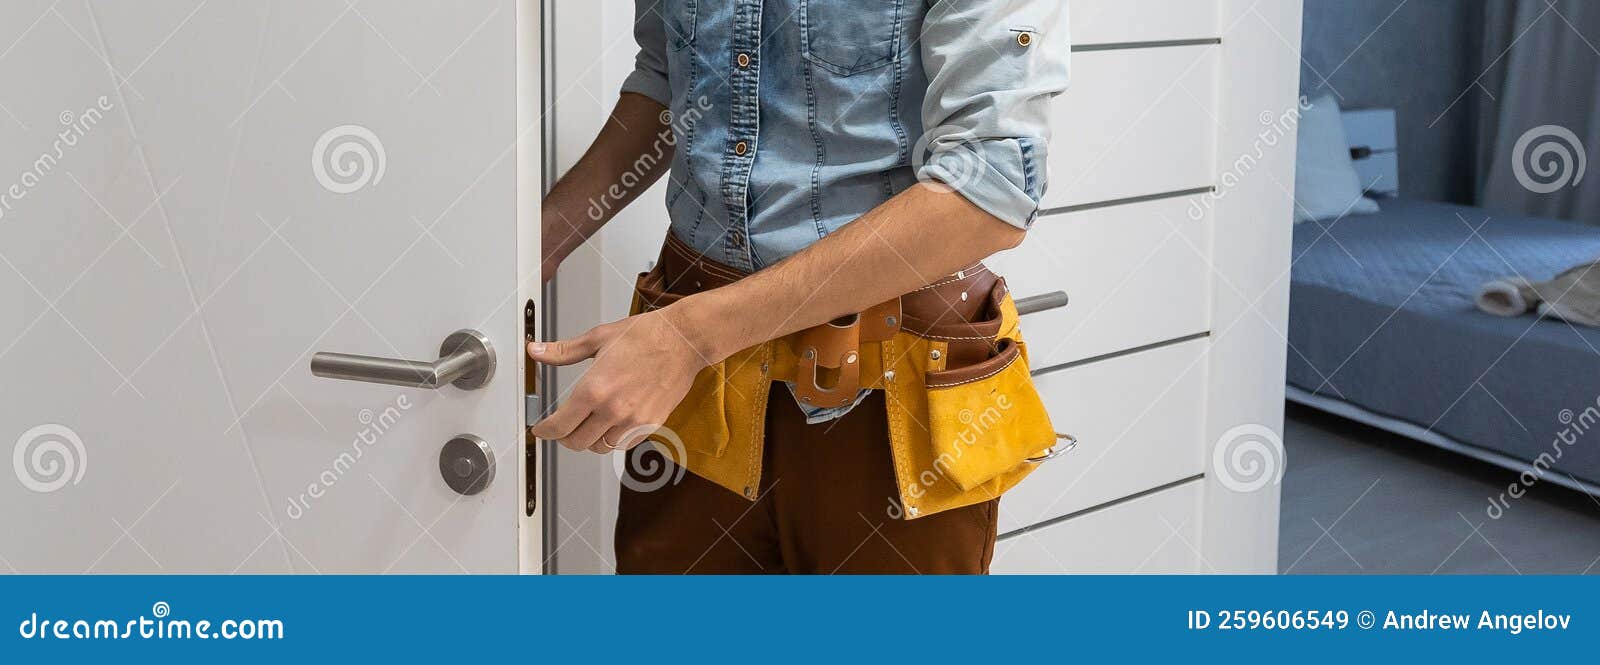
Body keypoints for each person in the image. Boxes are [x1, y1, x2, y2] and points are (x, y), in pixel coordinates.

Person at [532, 0, 1071, 574]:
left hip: (888, 393)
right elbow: (668, 80)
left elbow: (988, 191)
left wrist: (689, 337)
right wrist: (542, 242)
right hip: (693, 391)